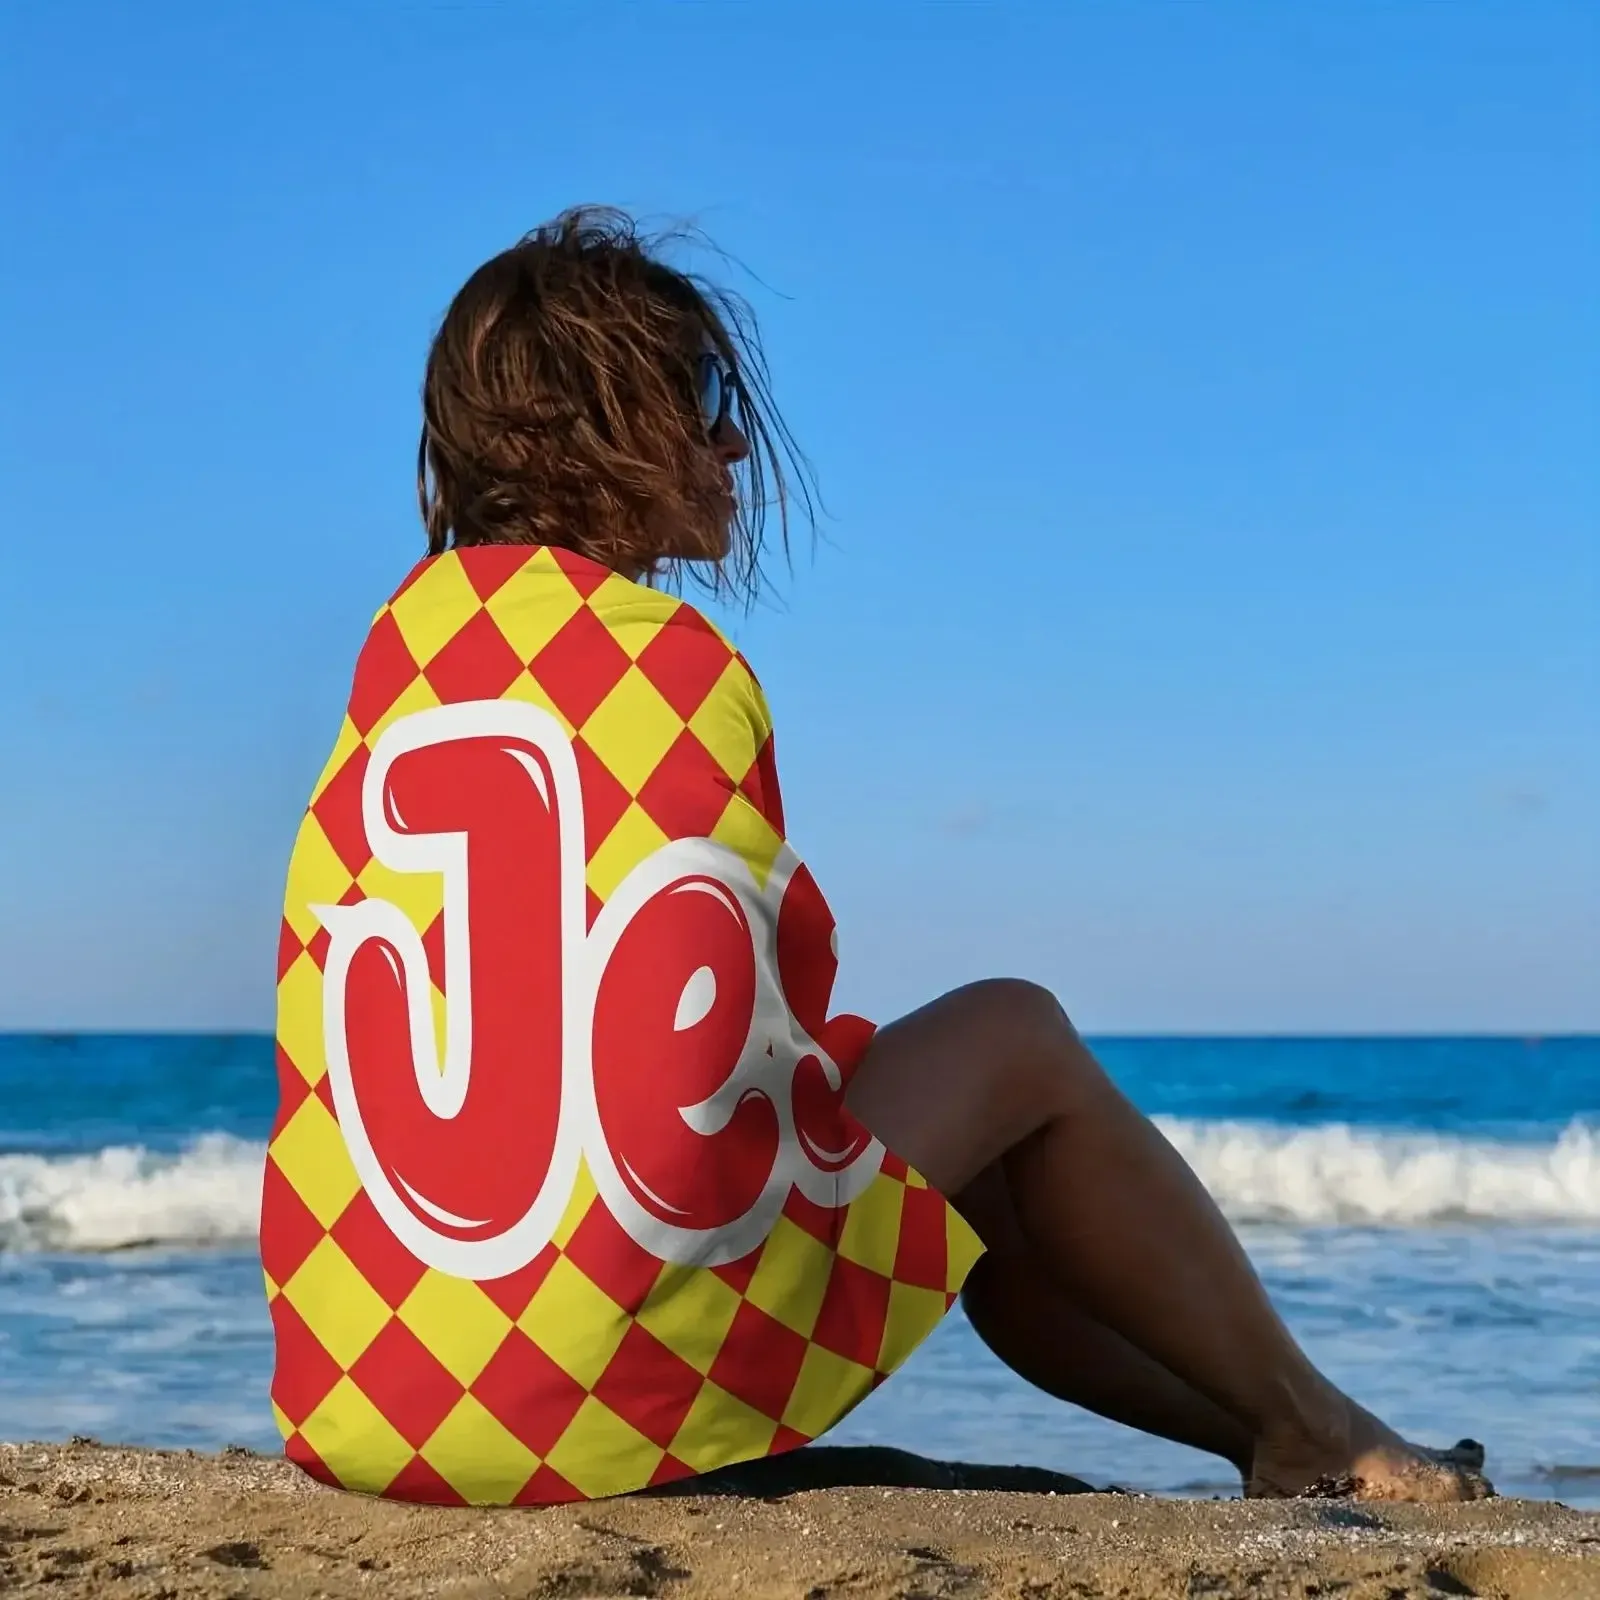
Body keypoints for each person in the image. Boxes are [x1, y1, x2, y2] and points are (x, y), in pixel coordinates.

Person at [262, 206, 1486, 1508]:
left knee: (996, 1172)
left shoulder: (397, 668)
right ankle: (1320, 1428)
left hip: (365, 1406)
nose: (734, 439)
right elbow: (728, 1051)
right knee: (1017, 1041)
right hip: (597, 1401)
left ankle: (1290, 1435)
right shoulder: (670, 669)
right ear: (606, 422)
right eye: (704, 395)